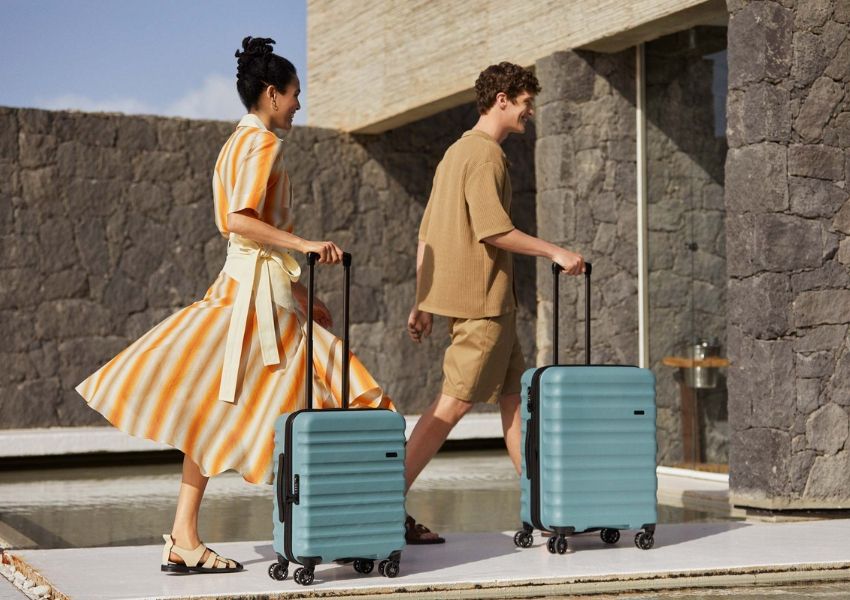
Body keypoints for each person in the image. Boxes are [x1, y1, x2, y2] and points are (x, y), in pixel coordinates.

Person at [76, 36, 393, 574]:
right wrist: (307, 246)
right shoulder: (264, 143)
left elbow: (245, 234)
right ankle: (354, 525)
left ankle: (186, 537)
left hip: (255, 293)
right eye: (295, 94)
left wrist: (298, 293)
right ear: (272, 93)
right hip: (255, 302)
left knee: (217, 408)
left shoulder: (234, 142)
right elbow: (239, 221)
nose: (299, 104)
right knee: (349, 398)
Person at [404, 62, 585, 543]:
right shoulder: (486, 157)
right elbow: (492, 230)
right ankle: (380, 505)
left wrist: (421, 300)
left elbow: (426, 236)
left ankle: (543, 507)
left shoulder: (454, 153)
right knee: (451, 407)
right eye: (525, 103)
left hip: (490, 307)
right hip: (483, 309)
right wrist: (555, 250)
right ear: (502, 98)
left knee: (513, 404)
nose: (530, 113)